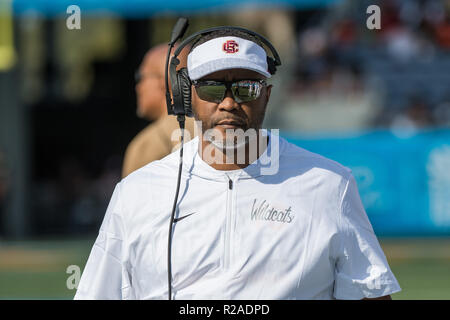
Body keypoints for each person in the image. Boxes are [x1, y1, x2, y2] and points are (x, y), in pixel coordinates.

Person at [75, 27, 401, 300]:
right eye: (213, 87)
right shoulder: (136, 192)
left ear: (268, 95)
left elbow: (370, 293)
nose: (229, 102)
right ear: (187, 96)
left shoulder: (331, 184)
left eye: (246, 88)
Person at [122, 43, 196, 178]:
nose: (138, 87)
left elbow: (132, 197)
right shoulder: (218, 132)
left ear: (165, 80)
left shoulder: (147, 144)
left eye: (141, 77)